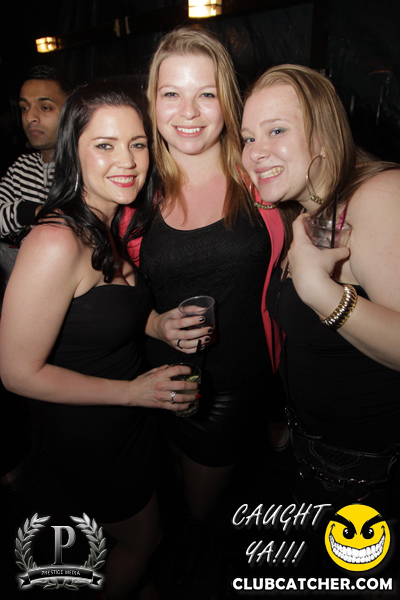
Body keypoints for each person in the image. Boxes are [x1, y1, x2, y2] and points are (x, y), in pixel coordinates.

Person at [0, 80, 201, 600]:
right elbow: (17, 373)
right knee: (145, 539)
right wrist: (133, 392)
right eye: (105, 145)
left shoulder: (107, 221)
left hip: (129, 416)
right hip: (93, 428)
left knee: (135, 536)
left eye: (137, 143)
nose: (127, 160)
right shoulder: (55, 240)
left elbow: (98, 313)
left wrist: (157, 324)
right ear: (74, 151)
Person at [121, 25, 285, 582]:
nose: (188, 111)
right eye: (171, 93)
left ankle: (198, 564)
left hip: (236, 384)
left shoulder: (261, 176)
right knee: (160, 488)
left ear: (227, 102)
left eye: (206, 93)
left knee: (199, 506)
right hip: (153, 381)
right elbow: (106, 290)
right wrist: (152, 322)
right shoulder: (133, 191)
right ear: (152, 102)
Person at [241, 64, 400, 559]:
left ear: (324, 135)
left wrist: (319, 292)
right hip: (318, 463)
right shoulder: (308, 211)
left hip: (372, 482)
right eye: (248, 137)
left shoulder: (378, 195)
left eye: (277, 130)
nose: (255, 151)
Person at [0, 65, 71, 305]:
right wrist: (29, 211)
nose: (30, 117)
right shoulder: (21, 167)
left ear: (71, 111)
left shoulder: (86, 166)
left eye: (45, 107)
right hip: (22, 292)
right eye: (24, 108)